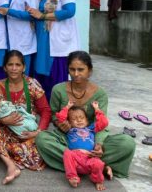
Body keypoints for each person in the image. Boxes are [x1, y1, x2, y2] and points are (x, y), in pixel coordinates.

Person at [36, 51, 136, 179]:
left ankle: (76, 165)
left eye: (81, 69)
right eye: (72, 69)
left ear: (90, 71)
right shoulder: (58, 90)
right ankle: (97, 166)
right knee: (42, 139)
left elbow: (101, 123)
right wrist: (60, 124)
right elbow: (55, 115)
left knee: (127, 143)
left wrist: (99, 145)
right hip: (66, 139)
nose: (76, 74)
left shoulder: (100, 94)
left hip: (91, 140)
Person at [0, 50, 51, 185]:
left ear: (24, 67)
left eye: (18, 65)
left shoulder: (33, 84)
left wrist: (37, 132)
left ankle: (1, 150)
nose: (14, 68)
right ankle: (10, 165)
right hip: (4, 132)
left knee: (34, 154)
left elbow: (45, 111)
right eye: (10, 65)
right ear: (4, 67)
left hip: (27, 135)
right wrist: (3, 120)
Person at [27, 0, 79, 100]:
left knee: (55, 74)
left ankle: (57, 107)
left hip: (56, 39)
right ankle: (44, 106)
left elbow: (70, 11)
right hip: (44, 37)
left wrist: (42, 16)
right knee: (42, 72)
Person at [56, 100, 111, 190]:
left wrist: (97, 109)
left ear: (87, 120)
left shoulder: (91, 129)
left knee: (98, 163)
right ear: (69, 122)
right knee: (67, 153)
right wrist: (67, 107)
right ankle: (73, 177)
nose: (79, 120)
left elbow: (104, 122)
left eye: (82, 117)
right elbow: (61, 118)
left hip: (89, 157)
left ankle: (98, 181)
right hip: (75, 158)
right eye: (74, 119)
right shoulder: (70, 129)